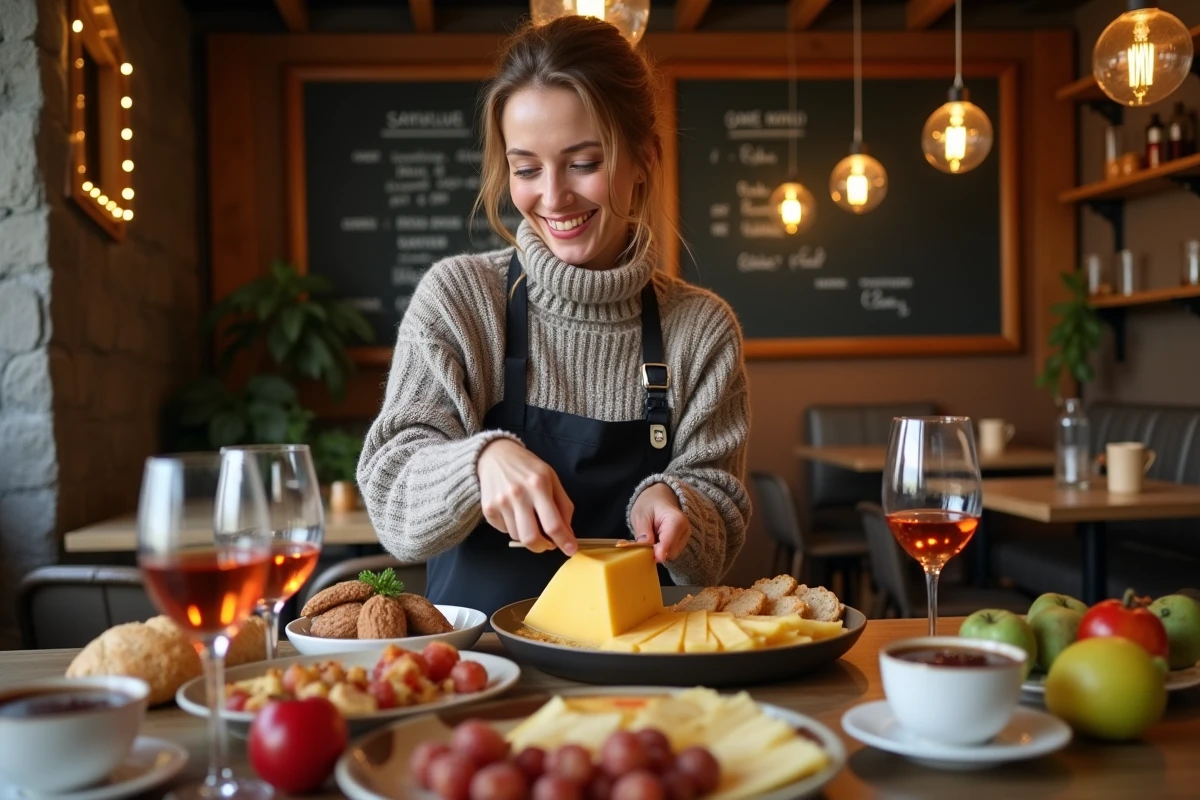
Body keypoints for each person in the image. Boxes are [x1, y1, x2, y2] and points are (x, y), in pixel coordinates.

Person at [357, 15, 751, 616]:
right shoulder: (461, 300)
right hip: (486, 671)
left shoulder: (699, 330)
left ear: (644, 158)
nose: (554, 196)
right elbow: (390, 497)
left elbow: (718, 512)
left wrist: (679, 503)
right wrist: (480, 461)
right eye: (526, 168)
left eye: (584, 162)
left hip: (639, 667)